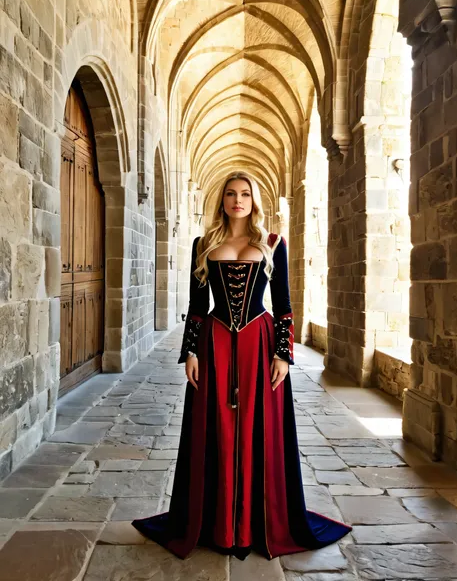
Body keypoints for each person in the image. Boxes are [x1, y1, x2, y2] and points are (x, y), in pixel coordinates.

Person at [132, 173, 352, 560]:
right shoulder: (204, 245)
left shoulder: (272, 244)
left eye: (245, 194)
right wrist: (192, 353)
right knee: (214, 428)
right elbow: (198, 308)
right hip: (214, 344)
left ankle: (255, 522)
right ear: (222, 200)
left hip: (259, 342)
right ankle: (216, 522)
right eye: (232, 194)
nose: (238, 200)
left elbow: (283, 305)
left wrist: (282, 354)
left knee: (258, 428)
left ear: (254, 200)